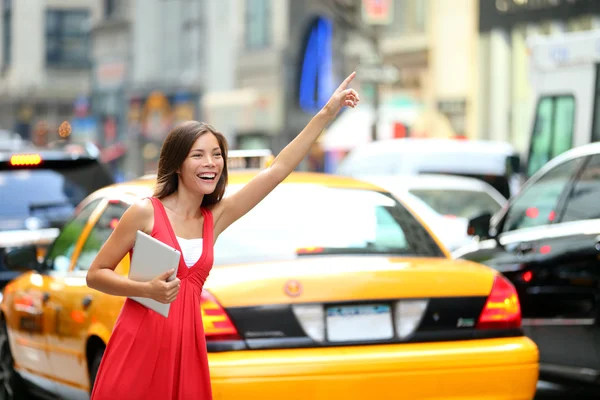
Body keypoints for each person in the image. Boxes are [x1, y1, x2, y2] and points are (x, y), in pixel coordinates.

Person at [85, 72, 359, 399]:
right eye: (198, 155)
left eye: (216, 155)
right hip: (139, 343)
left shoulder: (214, 218)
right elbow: (95, 274)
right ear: (177, 165)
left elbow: (277, 170)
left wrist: (327, 112)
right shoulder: (145, 212)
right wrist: (145, 289)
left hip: (187, 347)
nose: (211, 163)